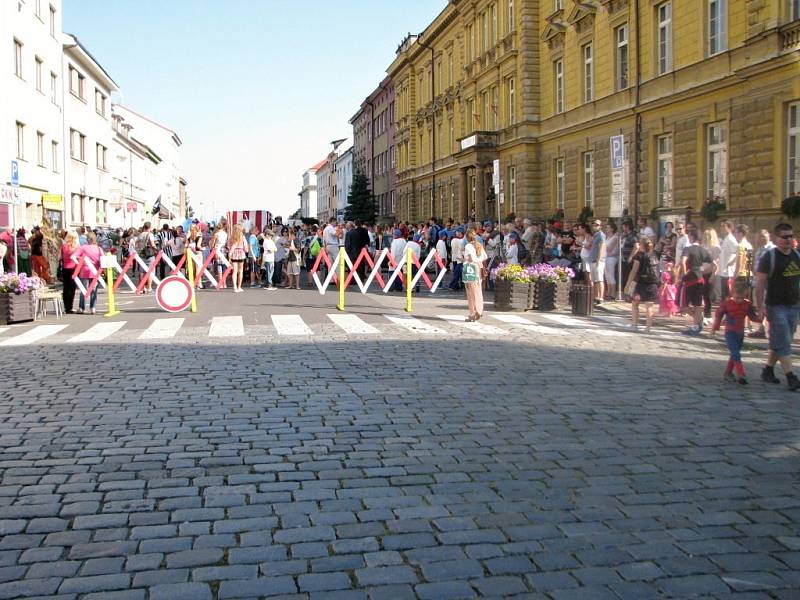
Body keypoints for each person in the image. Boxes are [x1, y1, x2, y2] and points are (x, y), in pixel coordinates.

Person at [755, 223, 800, 391]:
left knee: (781, 339)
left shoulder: (796, 255)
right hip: (775, 305)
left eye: (791, 236)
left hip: (794, 305)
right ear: (776, 238)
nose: (788, 239)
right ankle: (791, 377)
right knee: (784, 339)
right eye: (784, 237)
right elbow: (760, 285)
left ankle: (768, 370)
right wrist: (760, 307)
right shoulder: (769, 257)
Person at [711, 280, 756, 385]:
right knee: (736, 353)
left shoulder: (747, 304)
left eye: (742, 298)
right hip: (730, 332)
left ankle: (728, 373)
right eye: (737, 297)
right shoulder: (727, 304)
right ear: (732, 294)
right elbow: (718, 316)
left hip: (740, 333)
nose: (739, 300)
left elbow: (753, 317)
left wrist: (762, 317)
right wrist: (714, 328)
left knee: (734, 354)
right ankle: (741, 374)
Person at [680, 228, 714, 336]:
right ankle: (696, 326)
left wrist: (685, 272)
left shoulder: (688, 248)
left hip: (689, 279)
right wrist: (704, 272)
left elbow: (683, 261)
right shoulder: (702, 250)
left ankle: (697, 321)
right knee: (698, 304)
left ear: (691, 236)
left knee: (683, 305)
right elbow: (714, 265)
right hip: (699, 279)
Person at [627, 238, 660, 332]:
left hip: (641, 283)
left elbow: (634, 270)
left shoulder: (639, 256)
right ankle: (648, 328)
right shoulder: (654, 255)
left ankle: (634, 324)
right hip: (653, 284)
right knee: (649, 306)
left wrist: (628, 283)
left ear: (641, 245)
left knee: (635, 303)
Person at [463, 228, 488, 322]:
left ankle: (473, 313)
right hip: (479, 267)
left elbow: (470, 258)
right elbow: (485, 257)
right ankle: (479, 310)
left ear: (467, 237)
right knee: (478, 290)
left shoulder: (468, 246)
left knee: (470, 292)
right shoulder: (479, 245)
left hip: (470, 267)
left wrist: (463, 260)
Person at [74, 232, 102, 314]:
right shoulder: (98, 248)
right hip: (95, 271)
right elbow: (102, 259)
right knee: (94, 290)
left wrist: (79, 263)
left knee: (83, 290)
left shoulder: (83, 248)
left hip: (84, 270)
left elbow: (74, 256)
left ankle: (81, 307)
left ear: (87, 239)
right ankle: (92, 307)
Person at [60, 230, 80, 313]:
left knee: (65, 288)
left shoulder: (63, 246)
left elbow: (60, 257)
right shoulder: (77, 247)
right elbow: (79, 257)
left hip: (65, 268)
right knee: (72, 289)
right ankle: (70, 306)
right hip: (74, 268)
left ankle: (66, 306)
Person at [719, 220, 738, 302]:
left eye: (723, 227)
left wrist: (733, 261)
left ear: (729, 228)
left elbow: (739, 251)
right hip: (723, 270)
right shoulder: (726, 239)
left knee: (727, 293)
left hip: (728, 271)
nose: (721, 228)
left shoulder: (731, 239)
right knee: (724, 293)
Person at [588, 219, 606, 305]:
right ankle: (596, 296)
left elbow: (602, 247)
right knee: (595, 280)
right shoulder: (595, 235)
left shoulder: (601, 235)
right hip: (592, 259)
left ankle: (601, 297)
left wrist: (599, 259)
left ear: (600, 226)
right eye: (594, 225)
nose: (595, 226)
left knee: (599, 279)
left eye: (597, 225)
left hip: (598, 260)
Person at [227, 224, 248, 293]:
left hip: (234, 254)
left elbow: (229, 246)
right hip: (241, 253)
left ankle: (234, 287)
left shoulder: (231, 237)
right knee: (240, 271)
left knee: (234, 271)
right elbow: (246, 247)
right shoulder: (242, 237)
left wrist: (230, 254)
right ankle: (239, 287)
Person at [138, 222, 158, 293]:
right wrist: (156, 249)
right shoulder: (150, 234)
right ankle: (149, 288)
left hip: (141, 254)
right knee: (150, 271)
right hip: (149, 254)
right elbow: (152, 244)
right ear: (150, 227)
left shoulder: (140, 234)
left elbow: (137, 244)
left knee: (142, 272)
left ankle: (142, 288)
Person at [604, 222, 619, 300]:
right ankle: (608, 292)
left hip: (611, 258)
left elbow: (609, 248)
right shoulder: (607, 237)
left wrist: (602, 246)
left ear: (612, 229)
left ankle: (613, 293)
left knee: (611, 275)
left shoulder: (615, 238)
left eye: (608, 227)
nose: (606, 229)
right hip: (605, 257)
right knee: (607, 276)